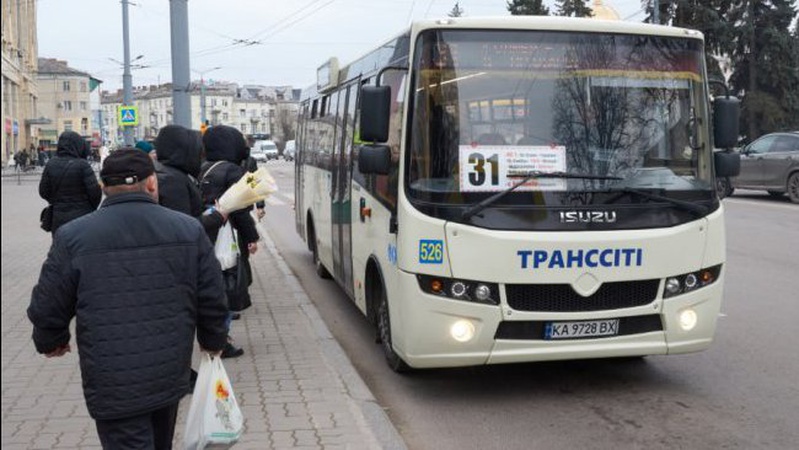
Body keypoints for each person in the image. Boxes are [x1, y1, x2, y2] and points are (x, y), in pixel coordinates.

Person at [28, 149, 229, 450]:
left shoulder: (72, 235)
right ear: (151, 183)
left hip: (111, 381)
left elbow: (48, 303)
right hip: (168, 372)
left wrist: (51, 340)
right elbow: (212, 297)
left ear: (103, 187)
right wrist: (214, 341)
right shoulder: (188, 229)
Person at [200, 125, 260, 355]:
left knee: (210, 285)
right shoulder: (232, 171)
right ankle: (220, 341)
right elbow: (241, 211)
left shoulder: (202, 168)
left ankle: (213, 337)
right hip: (228, 235)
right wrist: (252, 238)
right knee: (228, 284)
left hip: (206, 232)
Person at [39, 131, 102, 234]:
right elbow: (95, 193)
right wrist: (88, 207)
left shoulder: (51, 164)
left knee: (62, 247)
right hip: (83, 217)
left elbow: (43, 191)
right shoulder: (83, 165)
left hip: (59, 218)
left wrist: (57, 201)